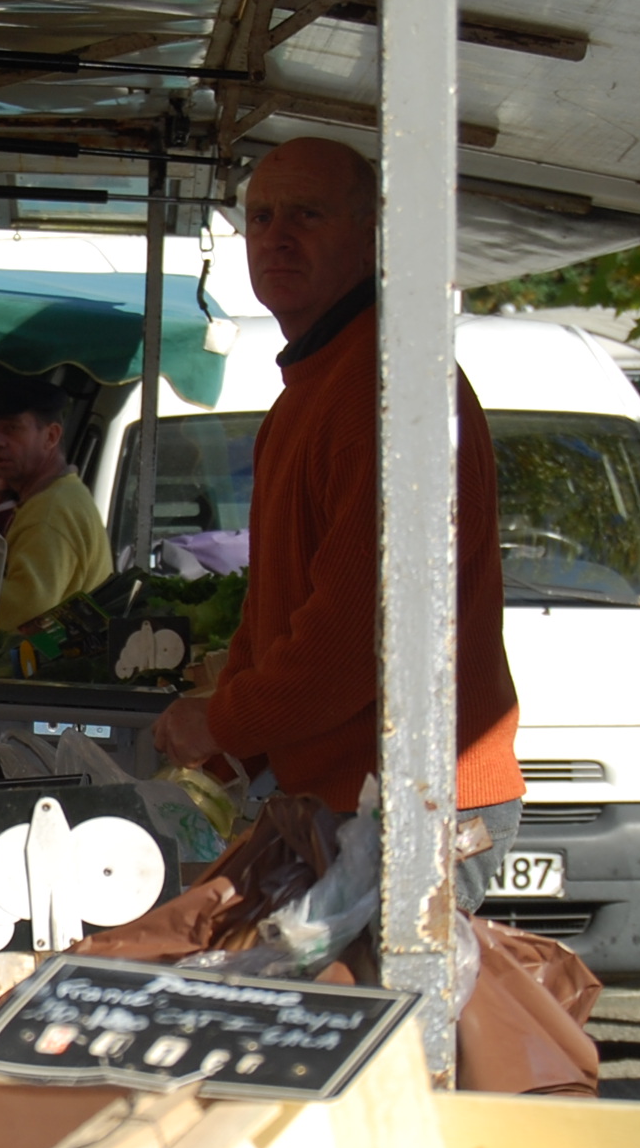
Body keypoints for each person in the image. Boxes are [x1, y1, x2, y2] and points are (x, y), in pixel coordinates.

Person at [151, 137, 524, 908]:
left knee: (352, 994)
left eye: (307, 216)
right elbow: (274, 611)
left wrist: (224, 722)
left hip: (412, 806)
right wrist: (233, 742)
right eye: (261, 218)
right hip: (350, 799)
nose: (277, 238)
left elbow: (354, 638)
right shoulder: (312, 388)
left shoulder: (386, 388)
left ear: (371, 235)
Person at [0, 376, 110, 632]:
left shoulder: (50, 510)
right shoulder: (62, 495)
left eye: (12, 428)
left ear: (51, 436)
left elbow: (25, 611)